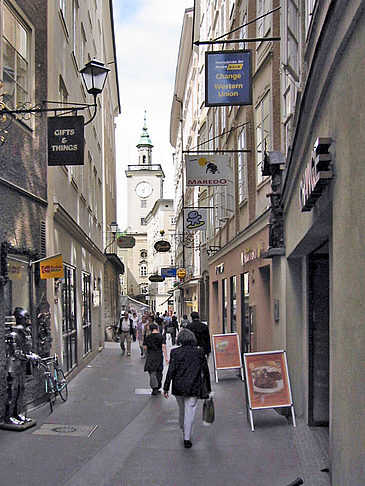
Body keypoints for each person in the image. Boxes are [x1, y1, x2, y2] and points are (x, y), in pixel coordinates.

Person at [163, 329, 211, 448]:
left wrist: (166, 387)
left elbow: (171, 370)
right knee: (190, 411)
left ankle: (183, 428)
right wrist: (208, 388)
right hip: (194, 385)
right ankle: (187, 438)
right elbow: (205, 370)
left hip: (178, 385)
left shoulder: (175, 352)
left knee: (181, 409)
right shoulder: (199, 352)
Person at [143, 323, 168, 395]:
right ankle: (158, 384)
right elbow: (163, 347)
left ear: (150, 329)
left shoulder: (148, 337)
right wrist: (166, 357)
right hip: (159, 355)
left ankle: (155, 387)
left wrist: (147, 353)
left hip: (151, 355)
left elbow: (145, 347)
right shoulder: (161, 337)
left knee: (152, 372)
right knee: (159, 371)